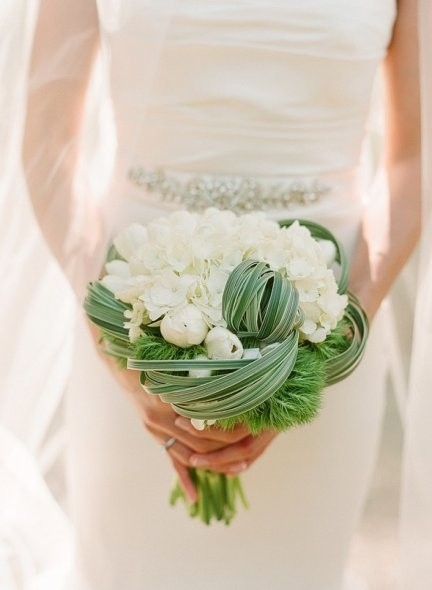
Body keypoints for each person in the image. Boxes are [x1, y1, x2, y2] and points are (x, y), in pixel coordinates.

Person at [19, 0, 425, 588]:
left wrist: (325, 346)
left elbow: (413, 162)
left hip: (326, 318)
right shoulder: (122, 337)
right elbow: (48, 145)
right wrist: (116, 341)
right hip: (134, 318)